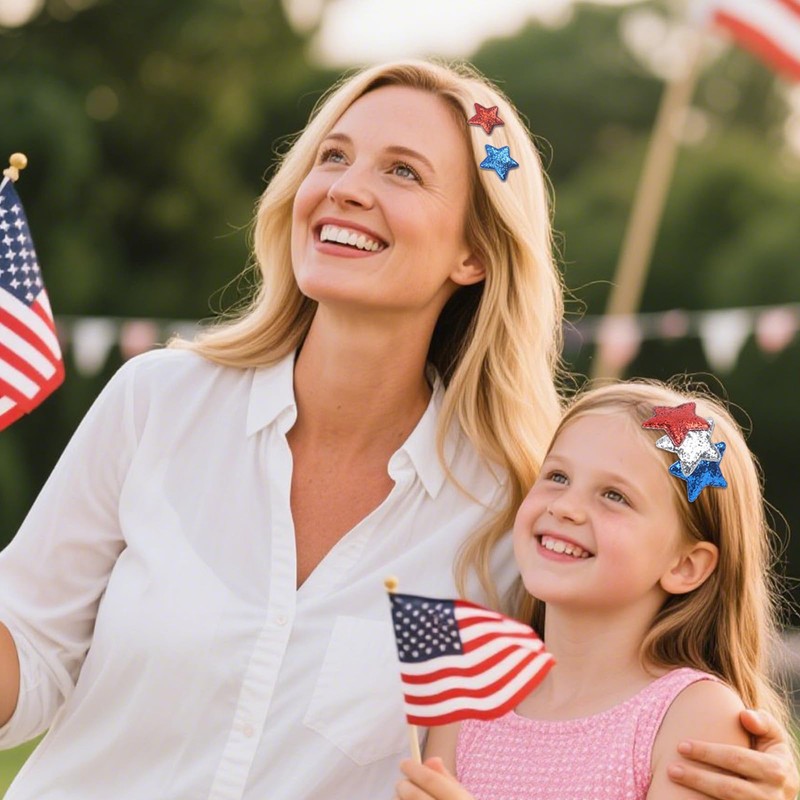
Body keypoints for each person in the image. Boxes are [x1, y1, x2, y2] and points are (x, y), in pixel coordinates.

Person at [0, 60, 795, 800]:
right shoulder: (158, 401)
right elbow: (31, 656)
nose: (345, 188)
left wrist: (747, 760)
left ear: (475, 253)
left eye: (402, 171)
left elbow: (611, 692)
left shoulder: (517, 506)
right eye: (333, 157)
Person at [395, 381, 797, 800]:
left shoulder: (695, 717)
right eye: (557, 476)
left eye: (614, 496)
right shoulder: (468, 697)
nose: (565, 506)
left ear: (684, 566)